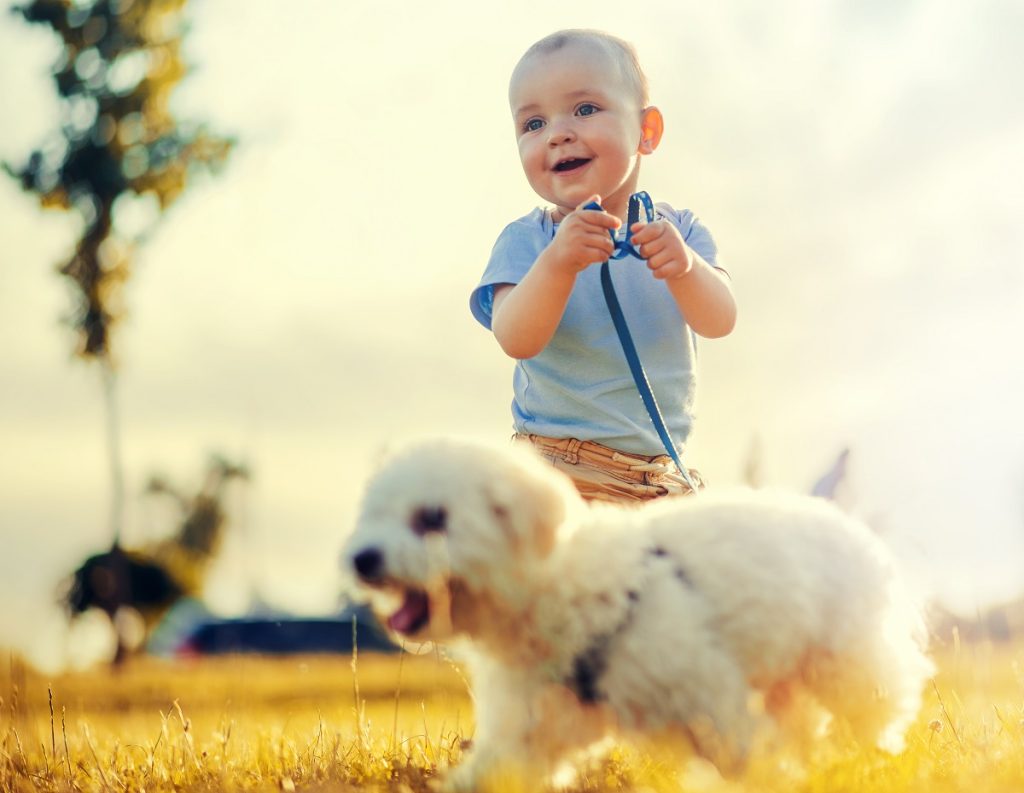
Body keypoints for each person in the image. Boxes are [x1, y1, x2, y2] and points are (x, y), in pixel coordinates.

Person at [470, 29, 736, 504]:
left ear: (646, 132)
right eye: (533, 124)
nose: (558, 133)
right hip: (558, 475)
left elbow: (720, 321)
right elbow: (515, 337)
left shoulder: (680, 231)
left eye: (585, 109)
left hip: (658, 483)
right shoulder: (531, 240)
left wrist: (685, 268)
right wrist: (558, 265)